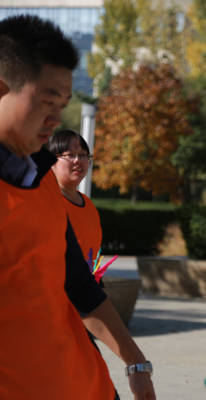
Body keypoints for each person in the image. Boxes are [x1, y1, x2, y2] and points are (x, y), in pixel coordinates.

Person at [0, 15, 155, 399]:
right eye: (46, 102)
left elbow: (80, 285)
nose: (56, 119)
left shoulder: (43, 181)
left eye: (63, 104)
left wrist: (135, 362)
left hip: (86, 383)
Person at [48, 129, 102, 268]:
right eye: (70, 155)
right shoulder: (46, 202)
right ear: (51, 160)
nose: (78, 160)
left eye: (83, 155)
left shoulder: (89, 205)